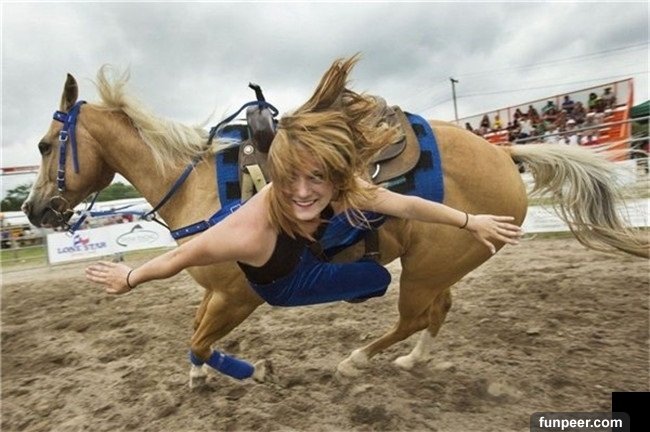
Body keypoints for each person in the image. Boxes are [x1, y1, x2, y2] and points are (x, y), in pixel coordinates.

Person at [86, 56, 523, 308]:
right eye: (289, 177)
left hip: (309, 237)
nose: (302, 191)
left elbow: (406, 205)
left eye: (317, 177)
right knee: (377, 279)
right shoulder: (249, 230)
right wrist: (130, 277)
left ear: (334, 177)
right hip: (288, 282)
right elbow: (179, 257)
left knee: (372, 208)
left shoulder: (343, 191)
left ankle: (333, 231)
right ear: (276, 174)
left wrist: (471, 221)